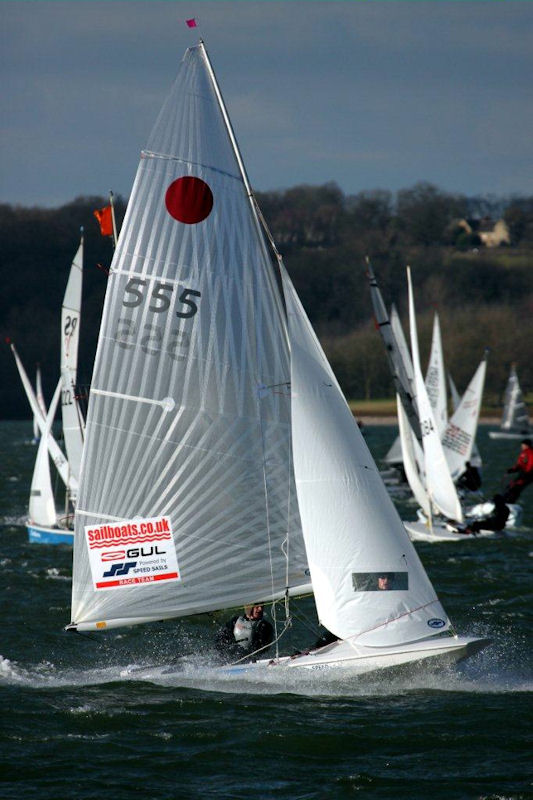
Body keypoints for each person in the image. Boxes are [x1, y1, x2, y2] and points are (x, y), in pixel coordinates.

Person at [502, 438, 533, 503]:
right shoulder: (523, 453)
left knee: (515, 488)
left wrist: (527, 473)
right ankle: (505, 501)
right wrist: (512, 470)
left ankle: (509, 502)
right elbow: (519, 464)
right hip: (523, 474)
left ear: (527, 445)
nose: (521, 446)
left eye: (523, 445)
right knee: (511, 486)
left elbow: (531, 464)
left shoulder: (530, 452)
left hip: (527, 475)